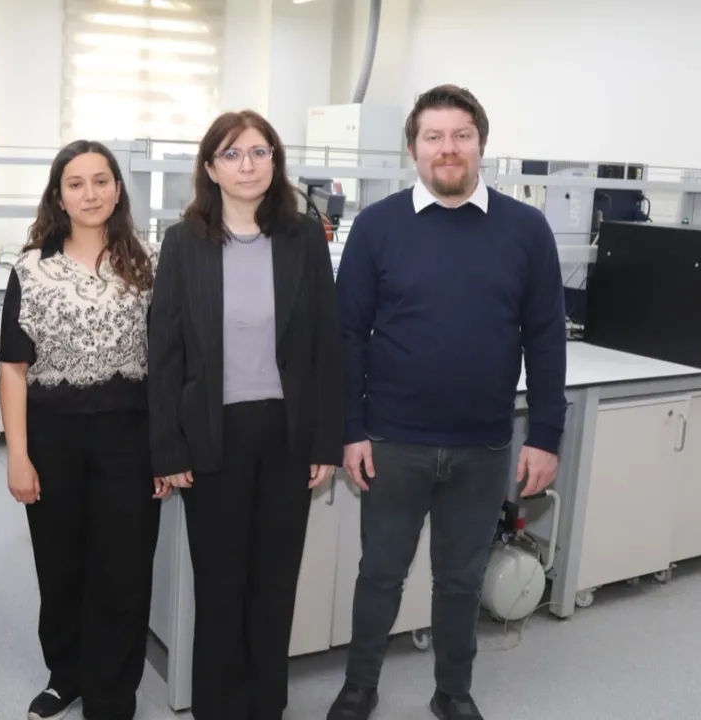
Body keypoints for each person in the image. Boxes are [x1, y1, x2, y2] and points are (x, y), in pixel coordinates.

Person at [324, 84, 568, 720]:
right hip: (391, 442)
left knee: (461, 580)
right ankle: (359, 687)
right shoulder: (377, 227)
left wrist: (545, 435)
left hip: (482, 446)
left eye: (461, 135)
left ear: (481, 144)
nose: (448, 148)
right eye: (433, 137)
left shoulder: (525, 230)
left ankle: (453, 692)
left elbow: (546, 338)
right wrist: (350, 429)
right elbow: (347, 335)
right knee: (380, 574)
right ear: (413, 148)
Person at [148, 109, 345, 720]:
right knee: (220, 584)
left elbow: (325, 343)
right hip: (213, 434)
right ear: (210, 168)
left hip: (287, 433)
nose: (247, 165)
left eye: (259, 152)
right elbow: (165, 352)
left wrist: (326, 441)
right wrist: (168, 448)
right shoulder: (184, 243)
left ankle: (265, 706)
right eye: (231, 154)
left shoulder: (303, 237)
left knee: (274, 583)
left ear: (275, 161)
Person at [0, 140, 163, 720]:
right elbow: (13, 369)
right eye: (75, 183)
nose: (89, 193)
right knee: (60, 565)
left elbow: (168, 363)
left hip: (130, 439)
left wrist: (166, 450)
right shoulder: (30, 269)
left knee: (123, 569)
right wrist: (18, 455)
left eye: (101, 181)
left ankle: (112, 695)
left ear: (117, 190)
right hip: (53, 439)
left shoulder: (148, 265)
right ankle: (66, 675)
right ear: (58, 196)